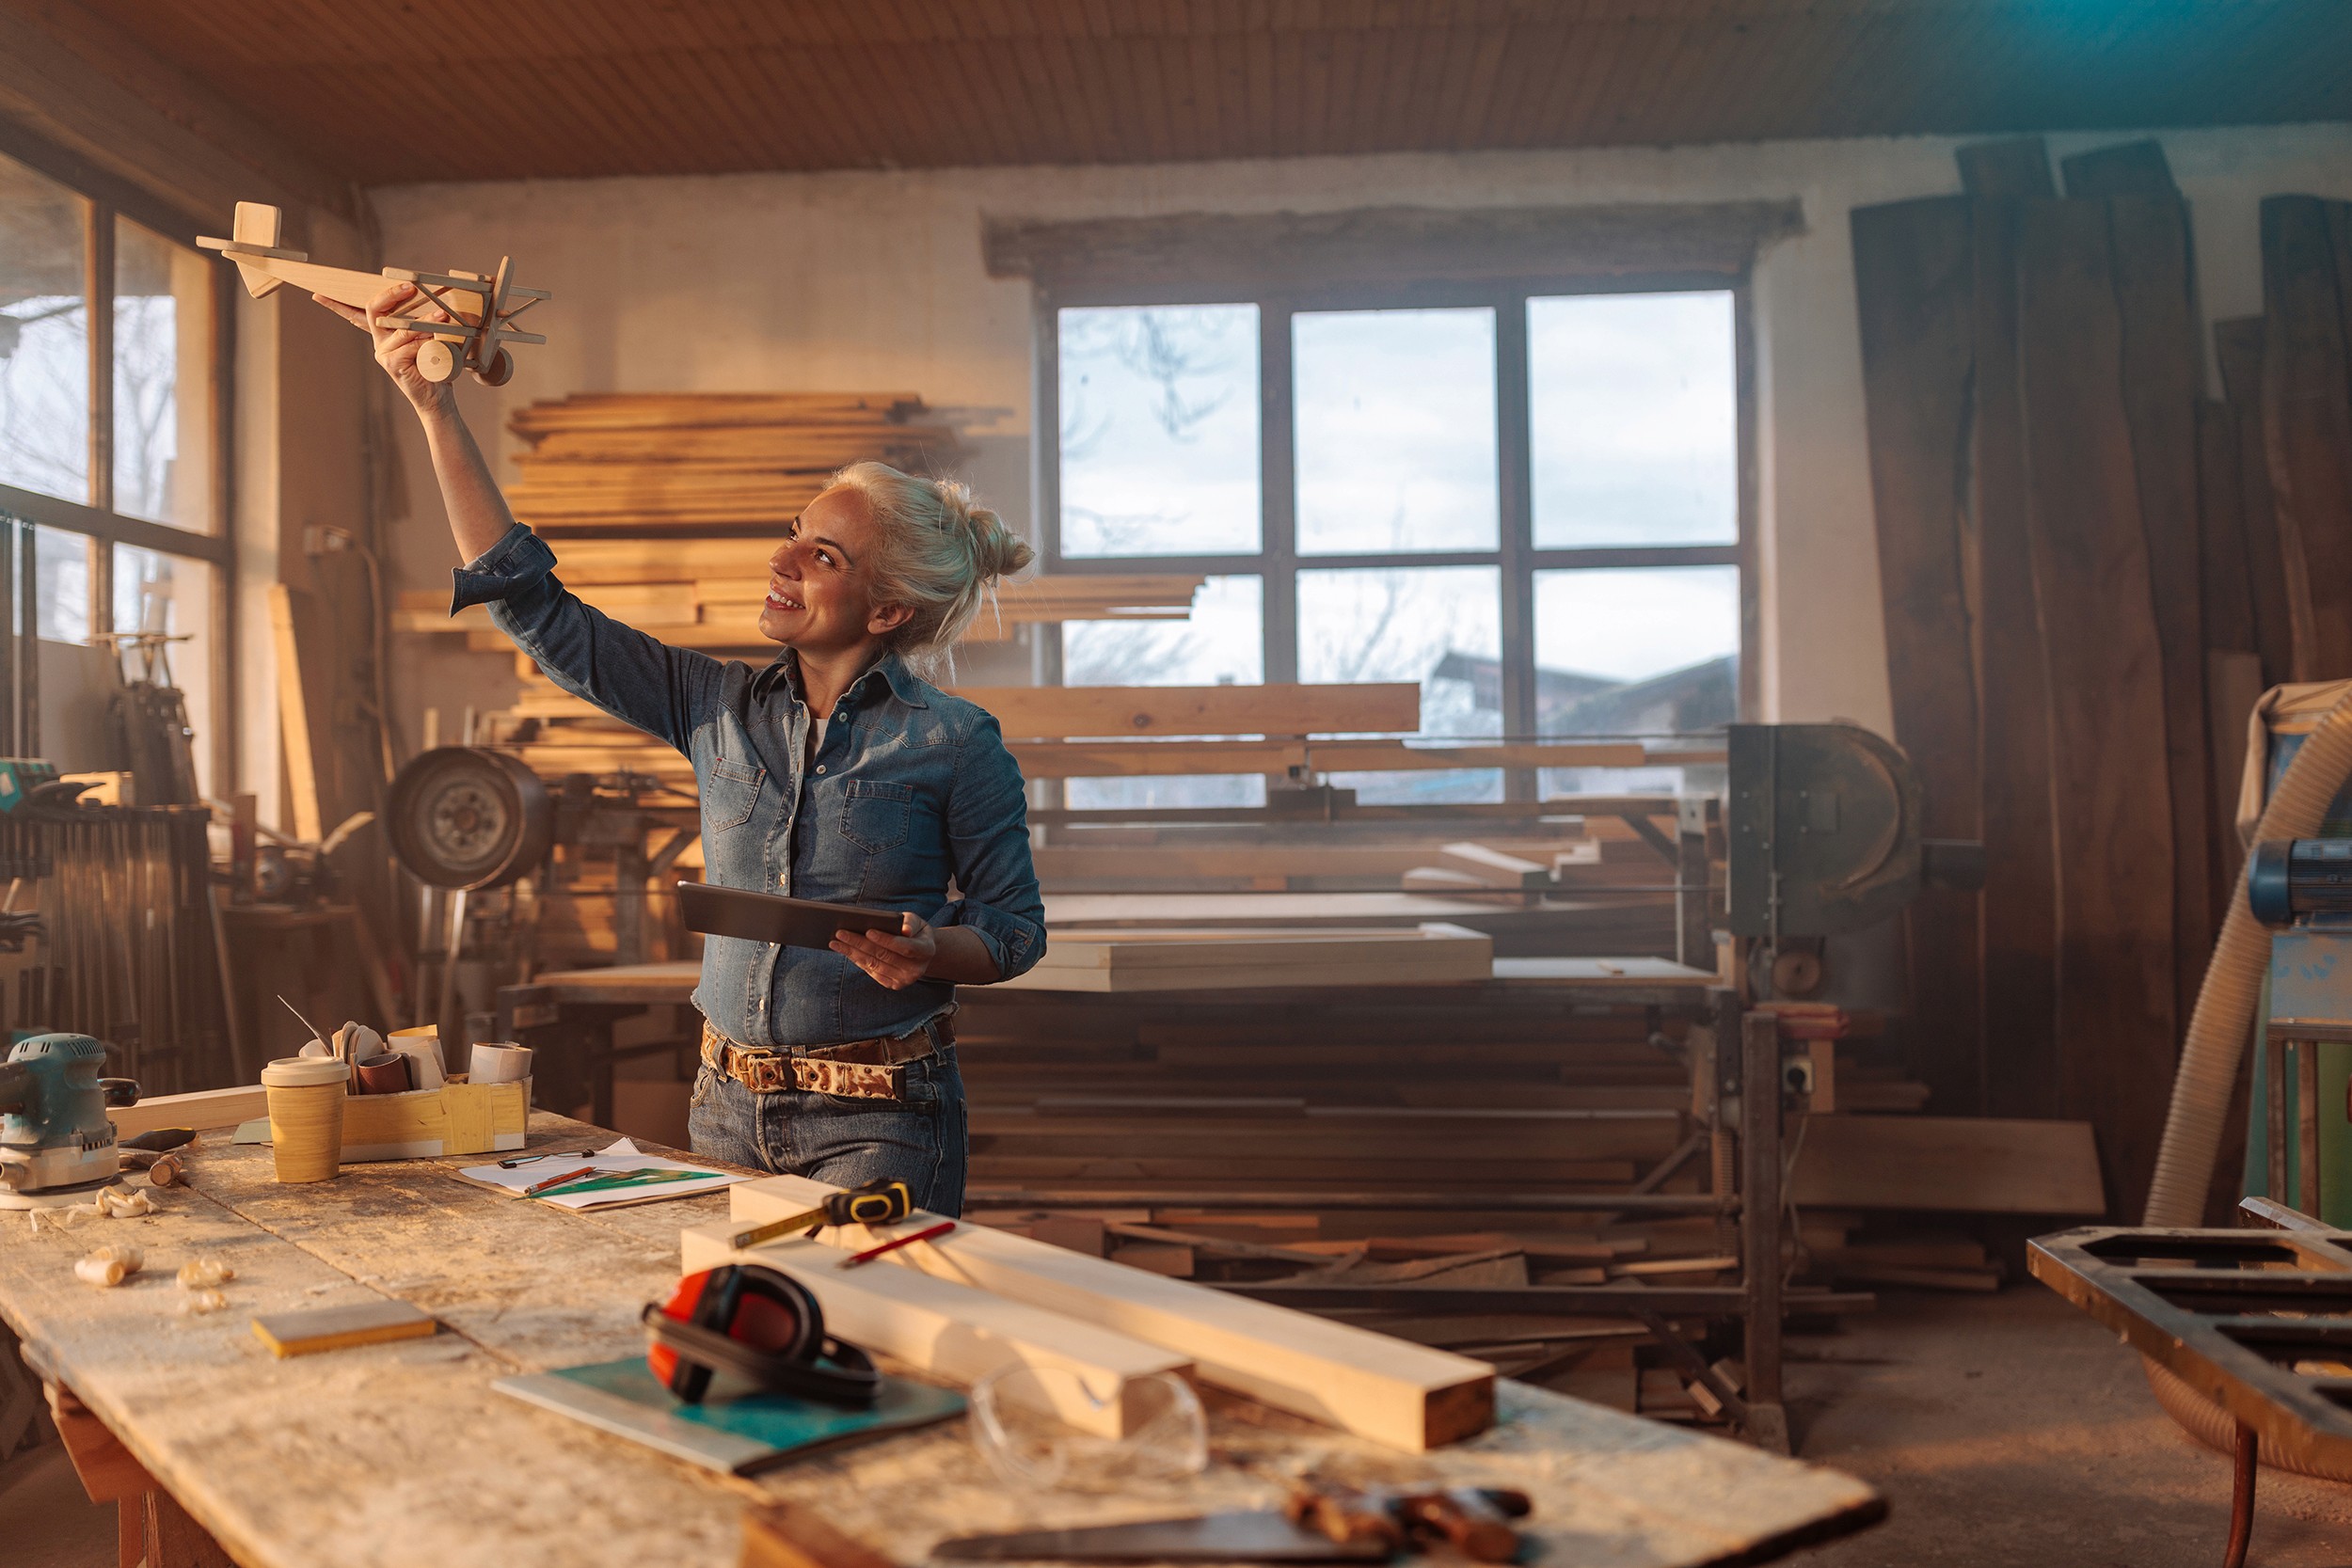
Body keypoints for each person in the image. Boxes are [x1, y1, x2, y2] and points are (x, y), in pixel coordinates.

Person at [320, 281, 1044, 1214]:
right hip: (725, 1111)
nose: (782, 561)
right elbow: (530, 604)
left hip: (883, 1124)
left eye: (823, 556)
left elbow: (1013, 931)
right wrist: (433, 403)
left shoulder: (954, 741)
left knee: (856, 1348)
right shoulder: (715, 704)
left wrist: (931, 948)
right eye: (794, 534)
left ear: (889, 609)